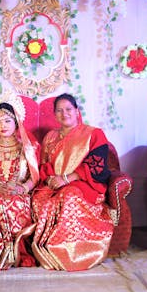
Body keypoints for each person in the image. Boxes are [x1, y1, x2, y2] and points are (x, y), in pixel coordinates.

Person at [31, 93, 114, 271]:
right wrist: (51, 179)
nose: (64, 113)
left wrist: (67, 179)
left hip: (84, 183)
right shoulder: (50, 137)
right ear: (55, 115)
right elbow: (44, 164)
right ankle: (46, 250)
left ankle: (69, 254)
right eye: (59, 111)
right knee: (39, 198)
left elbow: (96, 164)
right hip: (56, 183)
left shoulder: (93, 134)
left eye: (68, 109)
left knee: (69, 195)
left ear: (77, 111)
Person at [0, 101, 40, 270]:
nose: (3, 126)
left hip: (20, 191)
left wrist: (23, 188)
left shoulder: (26, 148)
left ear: (16, 122)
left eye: (7, 121)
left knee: (20, 203)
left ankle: (20, 253)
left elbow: (34, 177)